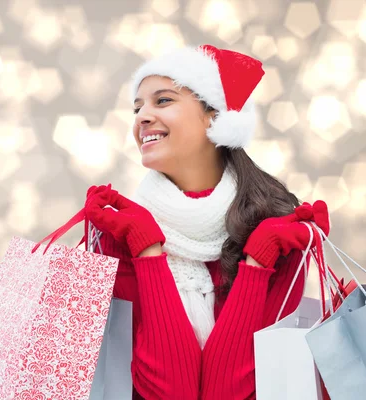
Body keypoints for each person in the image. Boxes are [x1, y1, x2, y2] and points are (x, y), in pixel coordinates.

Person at [82, 44, 331, 400]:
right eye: (137, 107)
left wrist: (257, 263)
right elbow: (171, 393)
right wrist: (148, 251)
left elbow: (227, 394)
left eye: (162, 101)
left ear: (214, 116)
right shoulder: (121, 232)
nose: (141, 117)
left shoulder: (278, 230)